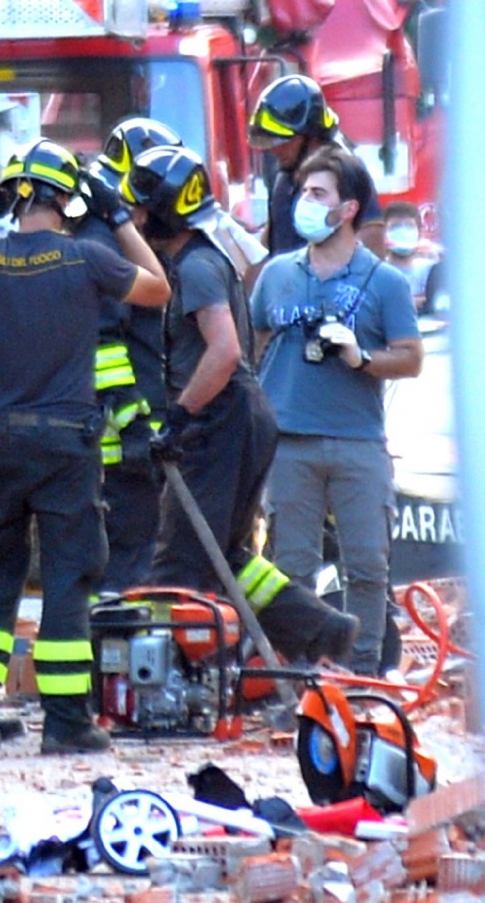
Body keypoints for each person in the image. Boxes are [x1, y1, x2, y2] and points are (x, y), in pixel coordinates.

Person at [0, 138, 170, 755]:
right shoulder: (87, 258)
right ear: (67, 199)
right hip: (66, 447)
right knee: (68, 578)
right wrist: (118, 216)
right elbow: (158, 289)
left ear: (14, 196)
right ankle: (66, 724)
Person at [122, 145, 359, 663]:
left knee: (179, 566)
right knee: (228, 557)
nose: (136, 220)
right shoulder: (199, 258)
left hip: (220, 420)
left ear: (165, 208)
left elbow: (225, 351)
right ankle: (320, 630)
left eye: (141, 208)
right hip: (239, 417)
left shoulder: (197, 267)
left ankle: (183, 681)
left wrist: (179, 417)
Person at [250, 144, 423, 675]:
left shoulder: (385, 282)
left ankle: (365, 674)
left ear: (348, 209)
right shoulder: (277, 274)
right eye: (303, 191)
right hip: (290, 445)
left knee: (367, 568)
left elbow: (411, 358)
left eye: (318, 193)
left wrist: (361, 357)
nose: (304, 201)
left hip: (357, 443)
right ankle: (302, 678)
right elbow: (257, 342)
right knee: (292, 567)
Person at [81, 117, 180, 592]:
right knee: (130, 556)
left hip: (122, 424)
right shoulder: (102, 242)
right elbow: (102, 342)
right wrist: (133, 420)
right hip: (123, 432)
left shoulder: (105, 235)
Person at [249, 75, 385, 259]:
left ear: (311, 136)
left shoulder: (344, 170)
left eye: (284, 142)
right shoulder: (283, 169)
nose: (275, 149)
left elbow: (372, 237)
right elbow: (271, 238)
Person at [382, 200, 438, 309]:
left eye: (409, 226)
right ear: (384, 232)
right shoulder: (376, 273)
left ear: (419, 233)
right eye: (395, 227)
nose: (403, 233)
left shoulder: (431, 271)